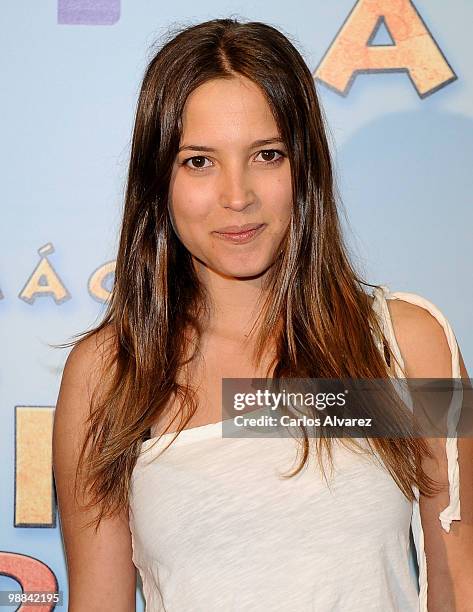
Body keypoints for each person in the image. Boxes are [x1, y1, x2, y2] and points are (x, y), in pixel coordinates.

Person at [52, 17, 472, 612]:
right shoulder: (109, 373)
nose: (237, 195)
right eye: (199, 161)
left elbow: (461, 578)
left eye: (267, 155)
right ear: (158, 179)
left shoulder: (407, 345)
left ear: (305, 168)